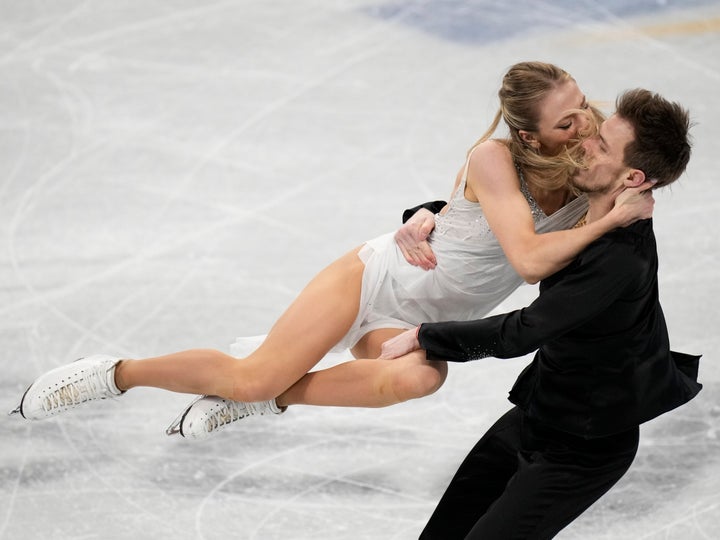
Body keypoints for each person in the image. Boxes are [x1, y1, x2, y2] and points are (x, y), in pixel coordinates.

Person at [10, 62, 652, 441]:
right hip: (375, 280)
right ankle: (113, 373)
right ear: (527, 134)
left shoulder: (590, 168)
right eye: (567, 123)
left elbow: (620, 189)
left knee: (420, 377)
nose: (586, 128)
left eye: (583, 110)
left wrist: (619, 202)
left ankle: (272, 398)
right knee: (253, 370)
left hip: (412, 320)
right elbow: (531, 261)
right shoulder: (493, 156)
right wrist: (611, 219)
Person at [378, 88, 701, 540]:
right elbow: (505, 211)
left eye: (602, 145)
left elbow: (525, 331)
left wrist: (426, 336)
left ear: (632, 178)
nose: (584, 141)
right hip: (538, 413)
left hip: (584, 447)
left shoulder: (620, 259)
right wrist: (426, 215)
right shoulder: (587, 202)